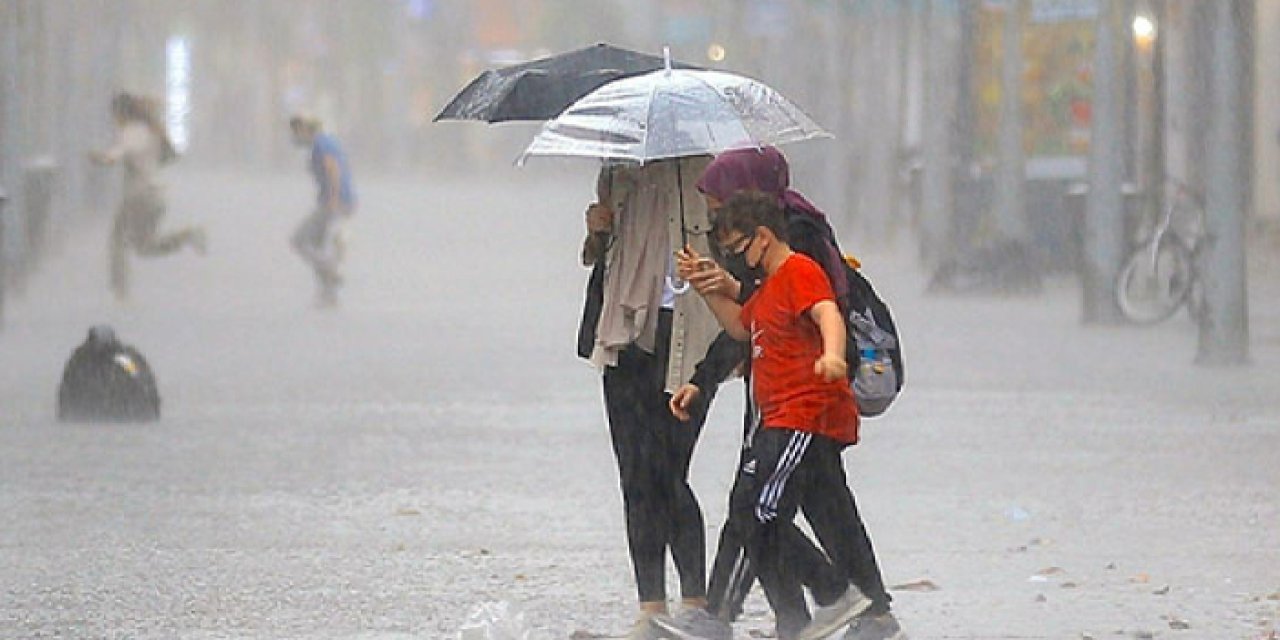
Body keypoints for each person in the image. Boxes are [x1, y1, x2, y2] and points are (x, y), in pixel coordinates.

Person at [669, 190, 904, 640]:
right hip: (779, 416)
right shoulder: (768, 288)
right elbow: (740, 326)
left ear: (762, 237)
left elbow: (827, 313)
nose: (739, 260)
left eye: (739, 249)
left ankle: (835, 592)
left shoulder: (798, 270)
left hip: (801, 414)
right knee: (753, 513)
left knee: (760, 510)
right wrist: (705, 287)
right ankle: (797, 618)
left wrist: (834, 355)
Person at [577, 157, 723, 640]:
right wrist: (597, 231)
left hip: (688, 340)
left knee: (668, 472)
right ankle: (651, 607)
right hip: (624, 336)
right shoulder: (617, 170)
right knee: (635, 475)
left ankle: (696, 603)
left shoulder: (707, 174)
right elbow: (598, 258)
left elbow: (733, 254)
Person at [90, 92, 205, 301]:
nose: (114, 120)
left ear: (122, 113)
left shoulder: (134, 131)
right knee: (144, 247)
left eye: (115, 115)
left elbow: (121, 152)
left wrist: (101, 158)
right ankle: (187, 236)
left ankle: (120, 291)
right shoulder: (150, 131)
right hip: (155, 196)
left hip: (139, 196)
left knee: (117, 239)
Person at [289, 114, 356, 308]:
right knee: (320, 245)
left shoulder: (321, 144)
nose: (294, 137)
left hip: (333, 203)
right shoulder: (324, 142)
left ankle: (329, 271)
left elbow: (332, 169)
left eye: (295, 131)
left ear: (304, 129)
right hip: (336, 201)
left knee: (300, 240)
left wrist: (334, 200)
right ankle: (327, 292)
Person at [57, 325, 160, 422]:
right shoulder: (81, 360)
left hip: (119, 410)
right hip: (96, 411)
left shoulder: (123, 358)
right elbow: (69, 383)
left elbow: (139, 379)